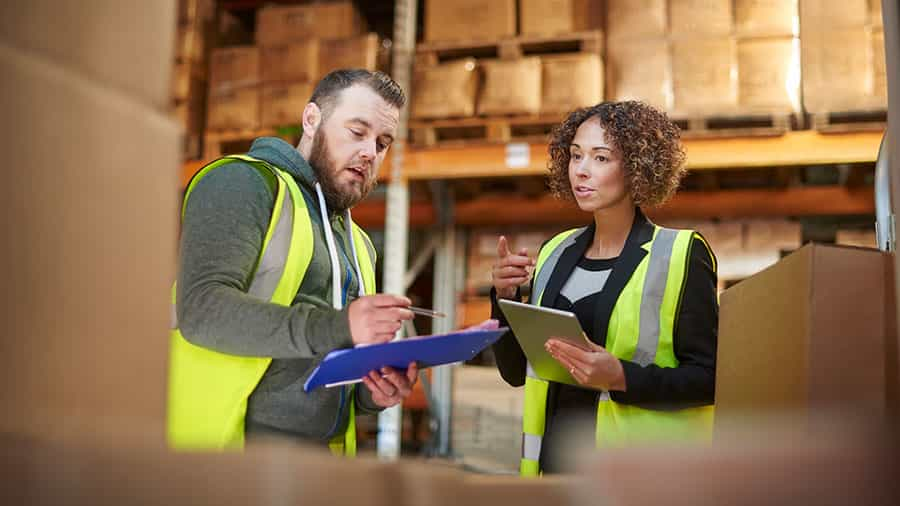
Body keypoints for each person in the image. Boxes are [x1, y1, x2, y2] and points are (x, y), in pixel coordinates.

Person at [167, 69, 419, 453]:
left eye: (383, 143)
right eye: (357, 132)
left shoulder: (359, 245)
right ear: (311, 119)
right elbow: (201, 310)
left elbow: (329, 362)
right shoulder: (244, 183)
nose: (371, 152)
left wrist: (373, 393)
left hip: (316, 464)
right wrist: (339, 325)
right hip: (227, 457)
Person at [490, 101, 718, 476]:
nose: (581, 170)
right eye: (576, 155)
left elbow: (709, 380)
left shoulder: (680, 254)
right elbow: (516, 372)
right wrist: (504, 298)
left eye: (600, 158)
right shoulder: (554, 252)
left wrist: (621, 377)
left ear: (636, 168)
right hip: (554, 473)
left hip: (632, 479)